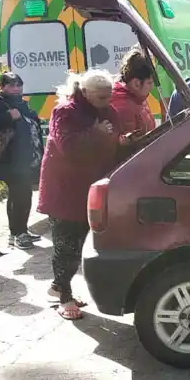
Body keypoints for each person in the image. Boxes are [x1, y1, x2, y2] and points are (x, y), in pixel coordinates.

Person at [38, 70, 120, 320]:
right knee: (66, 246)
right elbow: (67, 147)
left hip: (92, 188)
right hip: (65, 190)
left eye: (109, 96)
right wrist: (95, 134)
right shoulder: (66, 111)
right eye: (101, 97)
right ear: (84, 92)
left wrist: (123, 140)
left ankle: (58, 286)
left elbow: (113, 139)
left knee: (82, 243)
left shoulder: (108, 111)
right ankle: (64, 297)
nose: (107, 101)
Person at [0, 72, 44, 249]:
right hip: (9, 160)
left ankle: (20, 230)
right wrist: (7, 116)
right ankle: (17, 234)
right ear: (1, 87)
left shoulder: (20, 103)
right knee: (18, 195)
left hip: (25, 159)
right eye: (11, 85)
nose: (16, 89)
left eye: (19, 85)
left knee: (24, 194)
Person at [110, 47, 156, 140]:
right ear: (136, 83)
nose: (152, 87)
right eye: (149, 83)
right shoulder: (123, 107)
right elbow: (131, 150)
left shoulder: (137, 98)